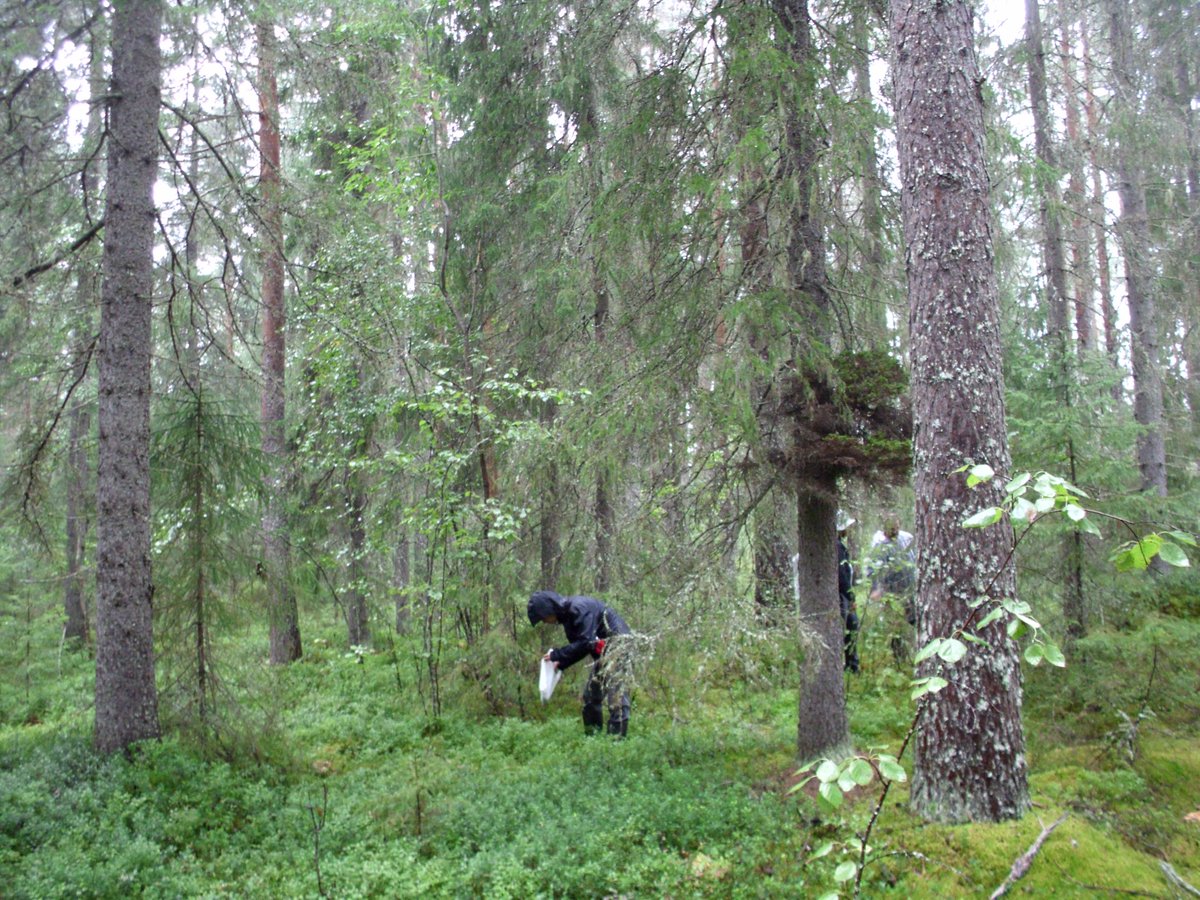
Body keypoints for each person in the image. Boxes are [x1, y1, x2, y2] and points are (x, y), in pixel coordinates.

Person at [528, 589, 631, 737]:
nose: (544, 621)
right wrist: (561, 663)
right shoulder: (567, 617)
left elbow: (585, 642)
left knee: (617, 701)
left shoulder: (578, 608)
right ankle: (592, 739)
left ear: (549, 609)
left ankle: (617, 747)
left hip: (619, 649)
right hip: (604, 654)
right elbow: (581, 647)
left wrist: (556, 655)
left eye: (543, 618)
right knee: (590, 697)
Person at [868, 514, 917, 665]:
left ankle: (918, 652)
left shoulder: (906, 538)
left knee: (914, 619)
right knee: (895, 626)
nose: (895, 530)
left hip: (910, 589)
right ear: (885, 528)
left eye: (897, 527)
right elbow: (873, 570)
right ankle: (900, 659)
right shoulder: (879, 545)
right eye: (891, 528)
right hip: (891, 592)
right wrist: (875, 589)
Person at [837, 511, 860, 674]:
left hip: (843, 595)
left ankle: (851, 663)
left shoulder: (839, 546)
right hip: (841, 596)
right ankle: (851, 664)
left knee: (852, 626)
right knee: (849, 626)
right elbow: (841, 575)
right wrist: (850, 597)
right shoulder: (837, 547)